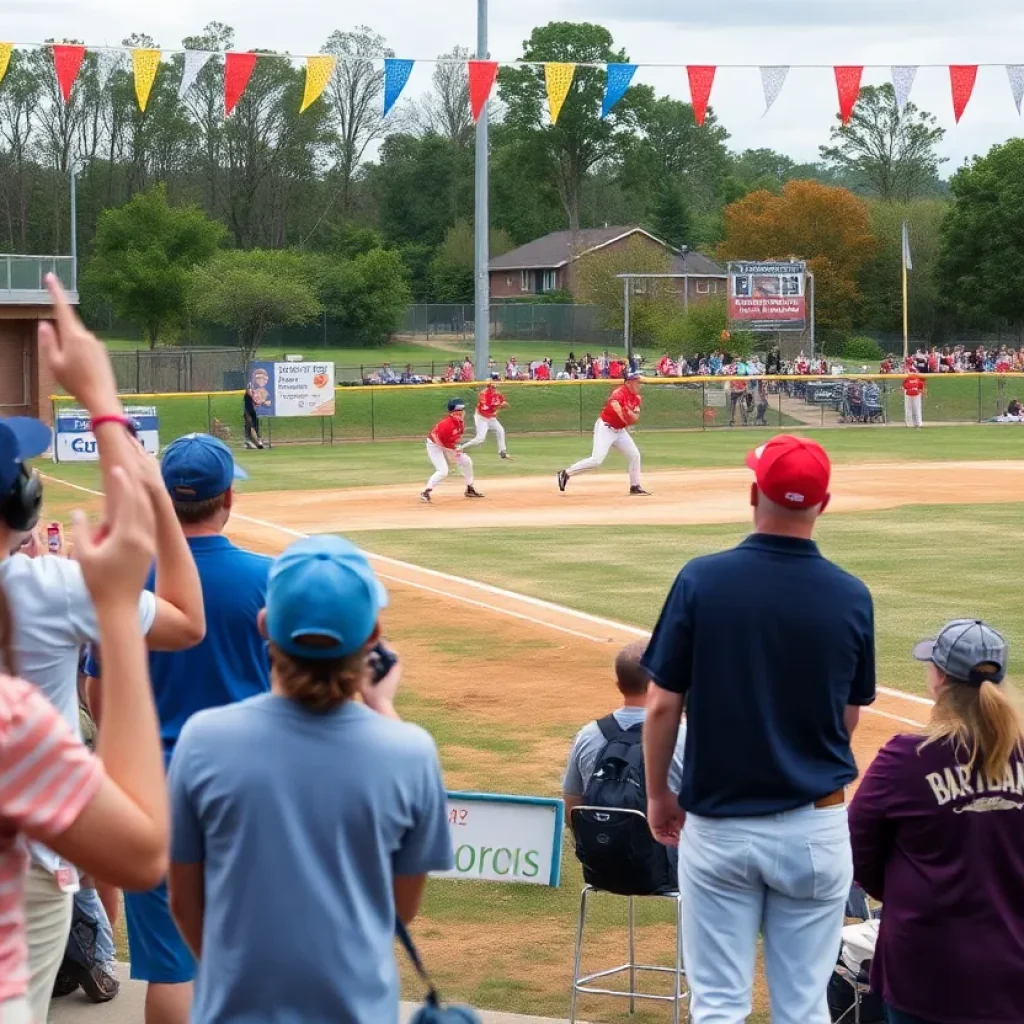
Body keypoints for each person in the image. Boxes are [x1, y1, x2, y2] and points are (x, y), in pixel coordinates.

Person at [6, 277, 205, 1023]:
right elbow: (185, 619)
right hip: (30, 857)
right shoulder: (45, 592)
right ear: (21, 506)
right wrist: (144, 482)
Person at [167, 535, 454, 1023]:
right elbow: (398, 910)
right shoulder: (409, 750)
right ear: (372, 638)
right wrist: (381, 704)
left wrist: (233, 975)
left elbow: (185, 902)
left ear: (264, 627)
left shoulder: (204, 740)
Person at [642, 434, 876, 1024]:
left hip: (721, 823)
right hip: (815, 823)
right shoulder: (852, 596)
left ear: (754, 493)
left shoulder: (701, 580)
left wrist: (657, 795)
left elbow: (662, 705)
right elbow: (848, 715)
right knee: (802, 1008)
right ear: (823, 505)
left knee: (719, 1005)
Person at [122, 432, 272, 1024]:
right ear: (228, 496)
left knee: (170, 965)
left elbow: (99, 695)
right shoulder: (273, 577)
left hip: (152, 789)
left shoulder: (127, 582)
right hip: (250, 788)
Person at [849, 620, 1024, 1024]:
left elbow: (858, 851)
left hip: (925, 970)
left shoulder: (905, 758)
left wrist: (907, 893)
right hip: (1013, 967)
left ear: (939, 677)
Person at [557, 371, 649, 496]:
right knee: (596, 460)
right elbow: (614, 404)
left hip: (620, 431)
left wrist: (629, 415)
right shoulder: (619, 392)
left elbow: (636, 417)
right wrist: (624, 416)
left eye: (639, 382)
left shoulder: (637, 398)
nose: (639, 384)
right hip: (606, 428)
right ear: (628, 383)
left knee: (635, 456)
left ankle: (635, 486)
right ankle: (566, 473)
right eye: (636, 381)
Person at [421, 398, 484, 504]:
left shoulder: (460, 424)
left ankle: (470, 488)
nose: (461, 413)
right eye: (458, 411)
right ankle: (426, 492)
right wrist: (449, 453)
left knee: (466, 461)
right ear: (452, 412)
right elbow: (435, 437)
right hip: (434, 445)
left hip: (447, 445)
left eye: (462, 411)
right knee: (443, 471)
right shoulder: (446, 423)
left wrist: (455, 449)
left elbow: (452, 439)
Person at [460, 382, 512, 460]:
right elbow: (485, 408)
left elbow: (503, 402)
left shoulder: (498, 394)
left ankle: (502, 452)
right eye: (492, 388)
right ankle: (460, 447)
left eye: (495, 388)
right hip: (481, 418)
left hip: (491, 417)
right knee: (480, 439)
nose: (494, 389)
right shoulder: (483, 394)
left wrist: (504, 405)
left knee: (500, 430)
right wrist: (499, 406)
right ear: (488, 387)